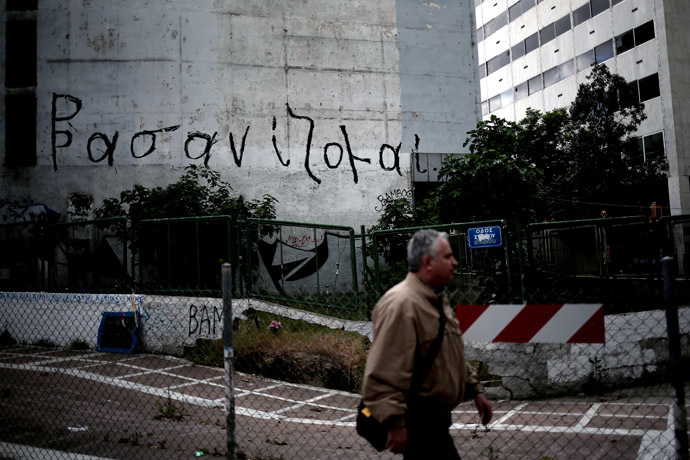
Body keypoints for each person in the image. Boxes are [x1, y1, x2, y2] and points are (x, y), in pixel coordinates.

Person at [362, 229, 493, 459]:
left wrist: (475, 390)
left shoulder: (435, 299)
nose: (455, 262)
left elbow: (448, 355)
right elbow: (383, 370)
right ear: (427, 262)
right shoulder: (401, 304)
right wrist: (395, 423)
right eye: (447, 257)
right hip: (418, 424)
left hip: (436, 424)